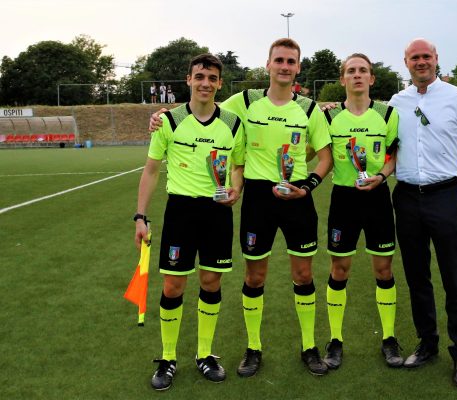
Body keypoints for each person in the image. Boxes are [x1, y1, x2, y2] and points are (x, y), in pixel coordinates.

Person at [149, 38, 333, 377]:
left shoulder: (309, 109)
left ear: (298, 68)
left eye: (290, 61)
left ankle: (309, 346)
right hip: (258, 200)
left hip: (298, 201)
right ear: (268, 64)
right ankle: (253, 348)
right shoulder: (245, 101)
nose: (284, 66)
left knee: (304, 274)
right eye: (279, 60)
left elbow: (326, 157)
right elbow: (206, 106)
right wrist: (162, 114)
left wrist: (307, 187)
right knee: (254, 275)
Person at [135, 53, 245, 390]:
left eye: (212, 78)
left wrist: (236, 190)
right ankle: (168, 357)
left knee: (211, 282)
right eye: (200, 77)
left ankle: (205, 354)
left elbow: (238, 166)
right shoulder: (169, 121)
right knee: (173, 286)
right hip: (180, 212)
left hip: (217, 214)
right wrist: (140, 216)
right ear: (189, 80)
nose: (206, 83)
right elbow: (152, 170)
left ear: (220, 84)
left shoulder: (232, 123)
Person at [388, 38, 457, 388]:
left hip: (445, 197)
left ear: (436, 59)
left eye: (426, 56)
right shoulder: (395, 102)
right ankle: (427, 343)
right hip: (406, 199)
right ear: (405, 62)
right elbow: (388, 150)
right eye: (414, 57)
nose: (421, 62)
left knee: (454, 279)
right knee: (417, 277)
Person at [320, 53, 403, 370]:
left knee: (384, 269)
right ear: (342, 79)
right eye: (351, 71)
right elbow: (320, 155)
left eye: (363, 70)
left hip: (378, 197)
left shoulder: (388, 114)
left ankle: (389, 338)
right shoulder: (329, 118)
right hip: (344, 200)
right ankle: (336, 340)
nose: (357, 75)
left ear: (372, 78)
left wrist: (381, 176)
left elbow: (394, 156)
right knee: (339, 269)